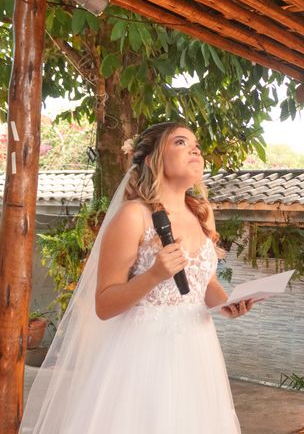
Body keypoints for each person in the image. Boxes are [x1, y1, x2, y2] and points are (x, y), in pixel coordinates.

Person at [21, 122, 252, 433]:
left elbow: (203, 284)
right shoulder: (134, 215)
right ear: (152, 159)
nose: (196, 149)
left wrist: (228, 303)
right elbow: (104, 304)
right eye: (181, 142)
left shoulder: (201, 213)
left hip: (197, 351)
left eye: (197, 144)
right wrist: (155, 274)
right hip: (142, 356)